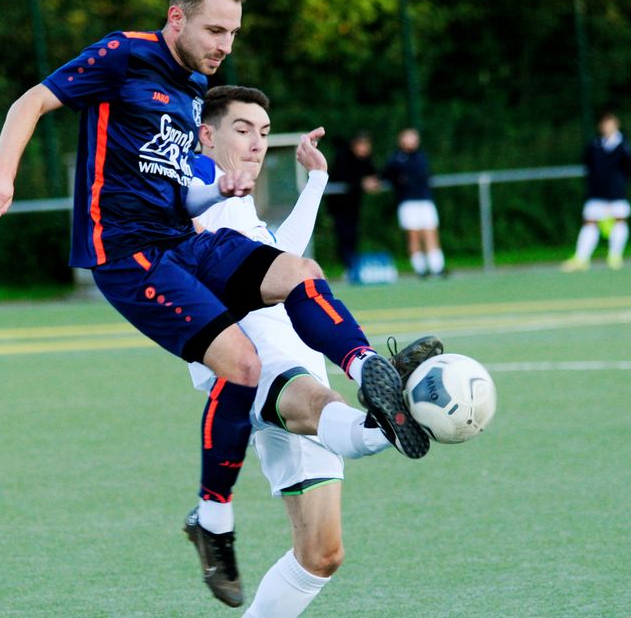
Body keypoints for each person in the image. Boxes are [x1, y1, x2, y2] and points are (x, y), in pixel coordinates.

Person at [0, 0, 429, 606]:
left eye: (234, 33)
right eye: (215, 29)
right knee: (240, 366)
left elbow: (178, 191)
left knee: (298, 273)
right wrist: (4, 172)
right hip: (126, 253)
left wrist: (222, 188)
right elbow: (32, 102)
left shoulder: (193, 87)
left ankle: (368, 365)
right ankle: (212, 520)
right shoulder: (125, 53)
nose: (225, 45)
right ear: (177, 18)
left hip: (180, 240)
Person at [186, 85, 443, 614]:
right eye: (242, 130)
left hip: (300, 349)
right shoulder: (188, 192)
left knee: (321, 554)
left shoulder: (235, 205)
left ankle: (390, 416)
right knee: (319, 405)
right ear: (206, 136)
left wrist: (318, 179)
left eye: (262, 132)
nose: (257, 144)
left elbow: (281, 255)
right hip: (248, 363)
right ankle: (390, 403)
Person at [562, 112, 631, 272]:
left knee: (619, 221)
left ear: (616, 125)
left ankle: (615, 257)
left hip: (617, 193)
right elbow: (587, 163)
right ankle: (581, 259)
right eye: (604, 124)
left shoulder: (624, 145)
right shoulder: (594, 144)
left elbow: (630, 167)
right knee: (590, 222)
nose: (607, 127)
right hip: (596, 192)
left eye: (610, 124)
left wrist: (617, 184)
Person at [382, 128, 447, 278]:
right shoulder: (396, 158)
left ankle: (437, 267)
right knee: (413, 235)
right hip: (407, 202)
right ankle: (420, 268)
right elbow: (387, 174)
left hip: (425, 200)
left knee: (430, 232)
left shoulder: (421, 157)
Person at [324, 132, 380, 278]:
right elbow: (344, 178)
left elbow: (373, 173)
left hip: (353, 206)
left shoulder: (365, 160)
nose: (364, 149)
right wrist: (362, 183)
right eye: (361, 145)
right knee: (344, 235)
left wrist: (374, 180)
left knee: (353, 236)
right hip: (339, 206)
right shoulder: (344, 157)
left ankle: (353, 267)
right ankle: (347, 267)